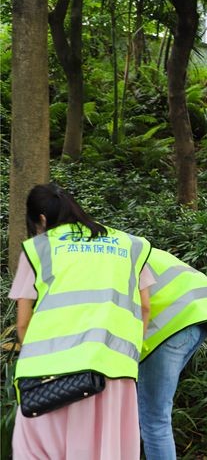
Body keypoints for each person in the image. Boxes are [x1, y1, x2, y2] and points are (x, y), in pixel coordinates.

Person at [9, 183, 152, 459]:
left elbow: (23, 324)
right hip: (114, 372)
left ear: (41, 219)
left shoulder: (39, 248)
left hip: (48, 376)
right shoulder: (130, 245)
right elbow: (145, 307)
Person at [138, 248, 207, 460]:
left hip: (172, 323)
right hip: (199, 314)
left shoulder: (106, 255)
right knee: (156, 413)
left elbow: (143, 307)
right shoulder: (126, 244)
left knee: (154, 417)